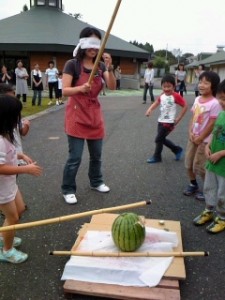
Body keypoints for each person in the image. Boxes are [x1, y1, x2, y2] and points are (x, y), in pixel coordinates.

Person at [61, 26, 116, 204]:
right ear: (83, 43)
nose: (93, 48)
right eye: (90, 43)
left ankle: (96, 181)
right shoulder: (72, 64)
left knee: (97, 155)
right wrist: (80, 88)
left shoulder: (100, 66)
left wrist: (109, 67)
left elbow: (113, 86)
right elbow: (65, 91)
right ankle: (68, 189)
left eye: (97, 44)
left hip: (94, 115)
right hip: (76, 116)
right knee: (75, 157)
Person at [0, 94, 42, 264]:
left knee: (20, 210)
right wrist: (25, 169)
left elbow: (8, 155)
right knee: (13, 217)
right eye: (17, 114)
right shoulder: (0, 140)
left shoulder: (6, 136)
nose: (19, 118)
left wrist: (21, 155)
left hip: (10, 185)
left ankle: (4, 235)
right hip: (2, 188)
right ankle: (7, 251)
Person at [183, 71, 221, 201]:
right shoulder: (196, 99)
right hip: (193, 138)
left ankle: (207, 189)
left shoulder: (215, 103)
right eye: (200, 82)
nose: (202, 85)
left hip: (204, 141)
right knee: (188, 163)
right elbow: (193, 117)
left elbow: (212, 123)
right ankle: (193, 184)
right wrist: (190, 132)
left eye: (206, 82)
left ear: (213, 85)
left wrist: (201, 138)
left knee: (200, 167)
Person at [193, 79, 225, 233]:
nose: (222, 102)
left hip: (223, 164)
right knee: (209, 187)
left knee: (222, 193)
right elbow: (215, 132)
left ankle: (222, 218)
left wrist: (221, 153)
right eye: (221, 98)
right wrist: (208, 145)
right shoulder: (221, 114)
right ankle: (209, 210)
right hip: (213, 161)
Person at [145, 74, 188, 163]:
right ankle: (177, 149)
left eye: (169, 86)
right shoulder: (162, 95)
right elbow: (157, 102)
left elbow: (185, 106)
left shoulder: (176, 96)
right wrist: (150, 109)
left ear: (173, 86)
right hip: (161, 120)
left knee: (158, 139)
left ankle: (157, 157)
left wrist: (178, 118)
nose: (166, 89)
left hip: (169, 122)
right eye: (164, 86)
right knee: (161, 139)